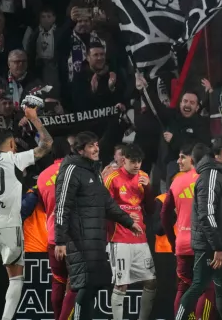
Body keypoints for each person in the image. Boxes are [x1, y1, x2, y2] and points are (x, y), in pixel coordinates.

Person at [0, 106, 53, 320]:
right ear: (11, 144)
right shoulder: (14, 159)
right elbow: (47, 144)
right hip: (9, 225)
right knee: (16, 278)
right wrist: (34, 120)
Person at [54, 132, 141, 320]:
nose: (96, 149)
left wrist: (128, 222)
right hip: (79, 239)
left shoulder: (94, 171)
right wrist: (60, 240)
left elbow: (107, 203)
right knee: (84, 287)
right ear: (80, 150)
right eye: (91, 146)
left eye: (97, 145)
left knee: (93, 286)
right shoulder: (71, 170)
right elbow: (62, 205)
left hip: (95, 241)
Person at [176, 135, 222, 320]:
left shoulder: (220, 175)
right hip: (210, 248)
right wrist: (217, 247)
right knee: (198, 286)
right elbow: (206, 215)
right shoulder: (210, 176)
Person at [105, 143, 158, 320]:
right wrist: (125, 219)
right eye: (133, 161)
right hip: (119, 238)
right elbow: (105, 208)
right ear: (123, 160)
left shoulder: (143, 177)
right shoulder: (112, 178)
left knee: (151, 281)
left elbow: (150, 209)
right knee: (122, 285)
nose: (137, 165)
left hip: (140, 239)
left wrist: (148, 188)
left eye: (139, 162)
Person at [162, 144, 207, 313]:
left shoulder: (177, 182)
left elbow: (164, 215)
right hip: (204, 243)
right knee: (205, 288)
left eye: (182, 157)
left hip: (182, 242)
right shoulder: (207, 179)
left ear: (193, 158)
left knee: (183, 287)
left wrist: (173, 241)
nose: (178, 161)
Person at [36, 135, 77, 320]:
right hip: (74, 236)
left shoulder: (43, 176)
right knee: (76, 283)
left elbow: (45, 206)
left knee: (59, 282)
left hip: (52, 236)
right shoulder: (76, 171)